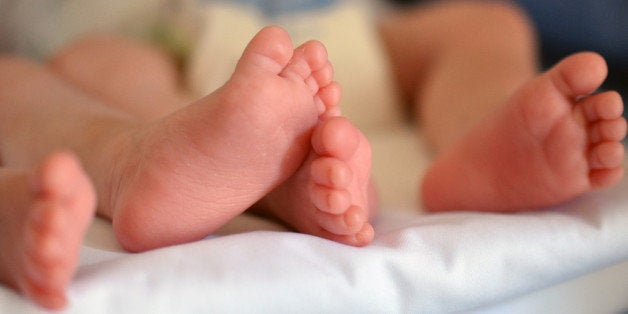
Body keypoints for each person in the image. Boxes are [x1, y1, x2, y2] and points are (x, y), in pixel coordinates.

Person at [0, 0, 625, 310]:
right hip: (168, 46)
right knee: (87, 68)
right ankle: (165, 163)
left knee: (485, 22)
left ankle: (482, 133)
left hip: (347, 33)